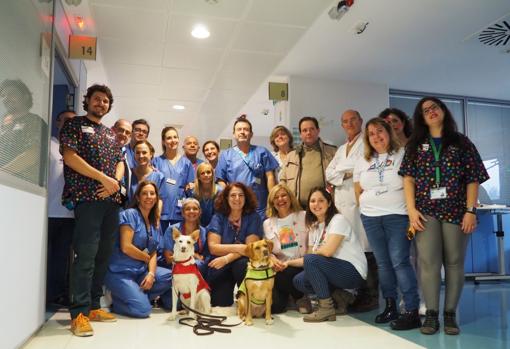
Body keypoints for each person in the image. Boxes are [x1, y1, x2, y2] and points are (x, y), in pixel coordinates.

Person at [400, 96, 489, 335]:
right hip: (425, 211)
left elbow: (473, 178)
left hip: (457, 210)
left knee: (454, 263)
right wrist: (411, 210)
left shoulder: (462, 142)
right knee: (428, 263)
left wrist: (470, 211)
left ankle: (450, 314)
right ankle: (431, 314)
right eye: (425, 110)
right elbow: (408, 178)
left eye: (434, 107)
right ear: (420, 117)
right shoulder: (415, 144)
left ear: (443, 111)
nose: (430, 112)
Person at [60, 84, 123, 337]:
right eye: (97, 99)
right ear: (87, 101)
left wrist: (114, 183)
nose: (101, 103)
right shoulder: (74, 125)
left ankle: (95, 306)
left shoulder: (110, 134)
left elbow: (119, 161)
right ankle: (79, 314)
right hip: (87, 199)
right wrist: (102, 179)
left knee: (103, 255)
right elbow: (69, 157)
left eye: (106, 101)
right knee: (85, 256)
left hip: (111, 201)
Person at [353, 117, 421, 330]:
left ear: (389, 132)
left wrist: (411, 215)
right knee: (382, 263)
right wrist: (366, 207)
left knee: (400, 261)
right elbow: (358, 189)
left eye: (380, 131)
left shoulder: (403, 154)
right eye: (371, 133)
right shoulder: (363, 160)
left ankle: (411, 310)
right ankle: (390, 305)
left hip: (397, 216)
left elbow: (412, 185)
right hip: (371, 217)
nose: (376, 136)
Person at [325, 109, 378, 312]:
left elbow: (361, 167)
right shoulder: (341, 149)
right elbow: (330, 173)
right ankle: (352, 293)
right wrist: (345, 172)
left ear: (360, 121)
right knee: (349, 249)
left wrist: (344, 172)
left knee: (367, 249)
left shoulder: (367, 142)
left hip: (359, 203)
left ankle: (371, 295)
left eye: (353, 120)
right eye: (345, 121)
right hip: (342, 205)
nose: (349, 123)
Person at [293, 187, 367, 322]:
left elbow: (327, 252)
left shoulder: (338, 220)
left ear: (329, 202)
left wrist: (311, 255)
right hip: (334, 271)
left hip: (352, 272)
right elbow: (308, 260)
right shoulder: (314, 226)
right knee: (299, 280)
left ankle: (326, 309)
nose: (316, 204)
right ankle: (340, 297)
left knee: (311, 260)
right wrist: (286, 263)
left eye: (321, 200)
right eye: (313, 201)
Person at [105, 181, 172, 318]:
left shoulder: (154, 222)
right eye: (144, 194)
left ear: (156, 198)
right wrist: (146, 259)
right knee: (143, 311)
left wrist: (151, 274)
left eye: (152, 193)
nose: (149, 197)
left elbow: (153, 251)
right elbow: (126, 247)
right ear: (137, 198)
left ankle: (134, 296)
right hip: (121, 272)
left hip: (140, 271)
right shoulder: (130, 214)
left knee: (170, 276)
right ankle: (117, 301)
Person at [207, 182, 263, 307]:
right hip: (220, 264)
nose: (237, 199)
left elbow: (250, 249)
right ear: (226, 198)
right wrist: (240, 247)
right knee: (220, 302)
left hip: (238, 263)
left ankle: (246, 296)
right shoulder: (218, 217)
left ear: (246, 198)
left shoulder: (253, 217)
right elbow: (213, 248)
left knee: (242, 264)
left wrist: (227, 258)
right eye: (233, 195)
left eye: (241, 195)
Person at [215, 115, 278, 219]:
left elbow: (270, 177)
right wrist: (229, 199)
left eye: (246, 129)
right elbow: (221, 180)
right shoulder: (226, 155)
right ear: (234, 134)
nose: (242, 132)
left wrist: (272, 201)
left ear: (251, 134)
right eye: (239, 129)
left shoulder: (262, 152)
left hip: (260, 207)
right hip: (236, 206)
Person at [263, 184, 311, 314]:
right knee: (275, 308)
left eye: (284, 195)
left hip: (301, 264)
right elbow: (268, 251)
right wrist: (272, 259)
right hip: (280, 267)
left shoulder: (304, 216)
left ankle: (301, 297)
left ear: (290, 197)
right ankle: (289, 296)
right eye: (276, 197)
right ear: (272, 202)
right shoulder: (268, 223)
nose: (280, 199)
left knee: (285, 274)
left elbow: (313, 244)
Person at [47, 110, 76, 307]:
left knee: (61, 259)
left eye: (73, 121)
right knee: (43, 256)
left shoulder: (78, 149)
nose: (68, 124)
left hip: (70, 214)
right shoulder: (48, 144)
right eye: (65, 120)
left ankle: (54, 295)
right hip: (46, 212)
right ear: (58, 122)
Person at [280, 116, 337, 208]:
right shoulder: (291, 156)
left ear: (318, 130)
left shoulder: (332, 152)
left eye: (312, 129)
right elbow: (283, 181)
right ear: (300, 134)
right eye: (305, 130)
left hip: (324, 207)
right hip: (297, 208)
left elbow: (340, 179)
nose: (308, 133)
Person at [0, 79, 48, 185]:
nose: (6, 98)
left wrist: (2, 173)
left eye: (11, 94)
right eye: (3, 95)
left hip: (22, 188)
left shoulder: (35, 121)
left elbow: (32, 154)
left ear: (25, 97)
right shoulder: (3, 124)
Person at [153, 126, 195, 232]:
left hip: (180, 210)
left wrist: (192, 186)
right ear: (163, 141)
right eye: (169, 138)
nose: (173, 140)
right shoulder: (156, 162)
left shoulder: (186, 163)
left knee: (177, 243)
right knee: (161, 243)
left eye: (175, 137)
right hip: (161, 210)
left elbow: (191, 187)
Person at [163, 198, 210, 276]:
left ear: (200, 212)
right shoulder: (172, 230)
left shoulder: (204, 232)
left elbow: (203, 258)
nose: (191, 211)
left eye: (195, 209)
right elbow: (168, 259)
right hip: (176, 266)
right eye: (188, 209)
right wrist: (193, 255)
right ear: (182, 213)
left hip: (198, 269)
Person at [192, 162, 222, 227]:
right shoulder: (193, 192)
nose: (206, 175)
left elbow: (219, 214)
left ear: (212, 175)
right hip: (197, 226)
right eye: (202, 173)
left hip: (216, 226)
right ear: (198, 177)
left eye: (208, 172)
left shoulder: (220, 191)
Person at [112, 119, 133, 204]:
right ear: (113, 129)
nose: (124, 134)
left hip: (122, 201)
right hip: (105, 200)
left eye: (127, 132)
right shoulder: (104, 149)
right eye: (121, 130)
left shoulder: (128, 153)